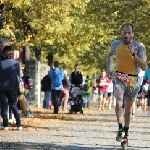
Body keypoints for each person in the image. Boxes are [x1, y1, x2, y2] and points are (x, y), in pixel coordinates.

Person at [107, 23, 147, 145]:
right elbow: (109, 56)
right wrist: (109, 69)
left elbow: (144, 66)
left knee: (128, 110)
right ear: (121, 33)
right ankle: (120, 128)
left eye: (129, 33)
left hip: (133, 80)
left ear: (132, 34)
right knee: (119, 102)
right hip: (119, 77)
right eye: (125, 32)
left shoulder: (139, 46)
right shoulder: (115, 44)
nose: (126, 35)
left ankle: (126, 134)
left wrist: (133, 54)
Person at [0, 46, 22, 130]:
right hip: (13, 86)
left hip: (2, 87)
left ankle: (5, 125)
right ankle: (19, 124)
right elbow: (18, 74)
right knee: (14, 105)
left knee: (4, 106)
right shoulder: (15, 63)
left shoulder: (1, 63)